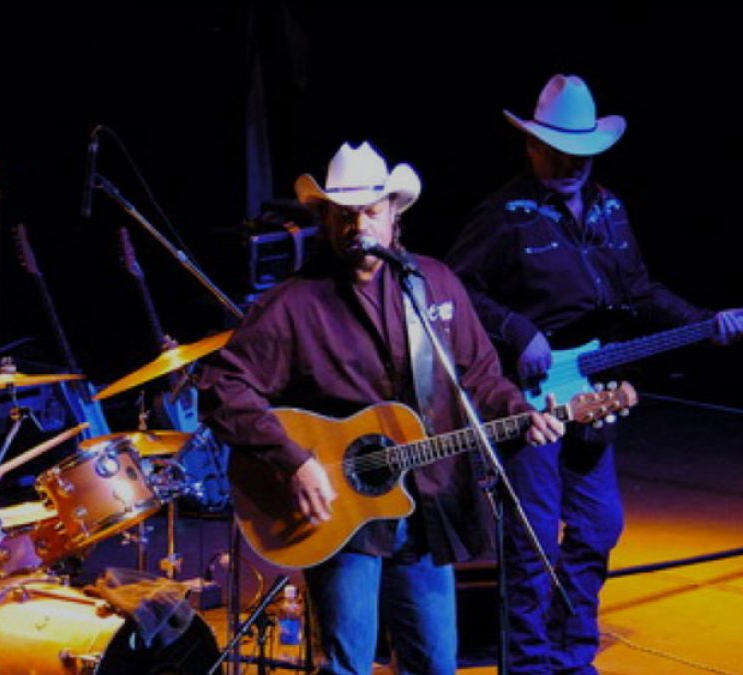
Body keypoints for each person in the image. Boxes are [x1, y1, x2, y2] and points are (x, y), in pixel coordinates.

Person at [199, 140, 564, 674]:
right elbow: (221, 385)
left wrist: (519, 410)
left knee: (435, 664)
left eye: (370, 212)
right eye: (343, 215)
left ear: (396, 214)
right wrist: (294, 459)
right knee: (347, 664)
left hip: (429, 501)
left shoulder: (433, 284)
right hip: (344, 512)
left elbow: (479, 372)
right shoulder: (294, 305)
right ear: (324, 219)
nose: (358, 227)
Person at [445, 74, 742, 674]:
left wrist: (706, 322)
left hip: (593, 384)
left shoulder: (609, 209)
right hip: (529, 397)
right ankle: (528, 665)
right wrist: (516, 330)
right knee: (531, 543)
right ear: (531, 147)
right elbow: (454, 289)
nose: (571, 162)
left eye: (581, 152)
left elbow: (638, 288)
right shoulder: (503, 215)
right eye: (558, 150)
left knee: (599, 526)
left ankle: (573, 655)